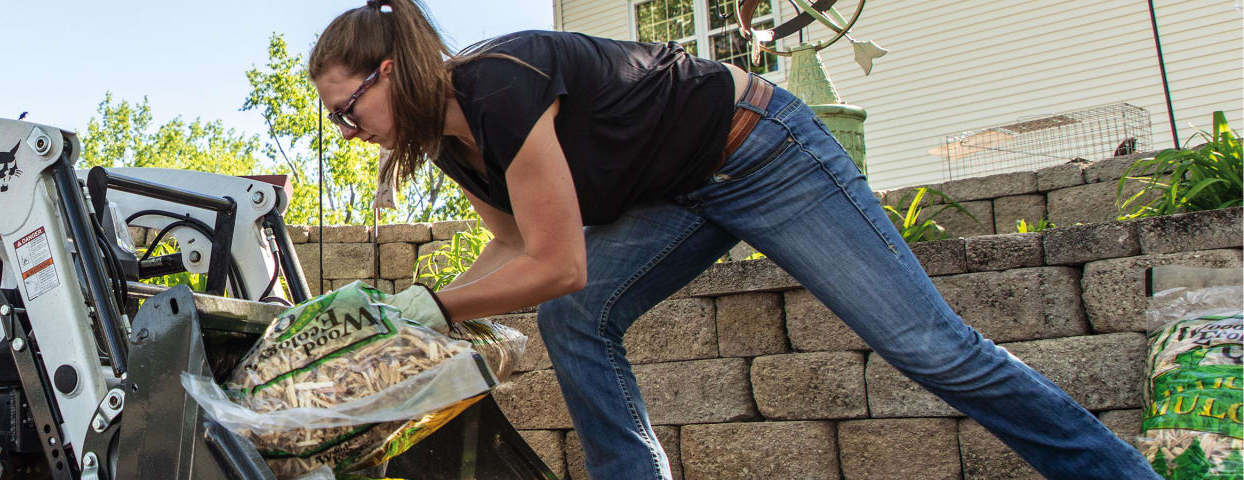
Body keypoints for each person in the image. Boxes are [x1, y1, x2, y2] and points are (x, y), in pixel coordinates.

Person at [327, 0, 1160, 478]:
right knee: (577, 321)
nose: (347, 129)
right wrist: (413, 316)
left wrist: (429, 301)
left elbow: (559, 261)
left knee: (929, 347)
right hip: (680, 193)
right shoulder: (449, 142)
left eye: (346, 108)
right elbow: (511, 248)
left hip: (762, 150)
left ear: (391, 71)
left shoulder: (502, 82)